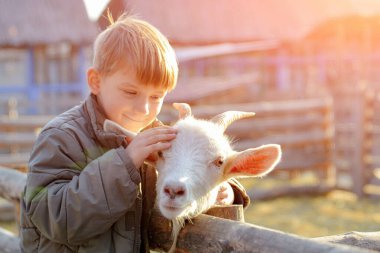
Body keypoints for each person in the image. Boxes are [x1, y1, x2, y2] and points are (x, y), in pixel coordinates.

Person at [20, 13, 249, 253]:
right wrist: (125, 163)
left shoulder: (157, 143)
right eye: (130, 92)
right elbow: (55, 219)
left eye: (156, 96)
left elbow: (171, 200)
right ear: (96, 81)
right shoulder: (62, 137)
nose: (144, 108)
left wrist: (219, 191)